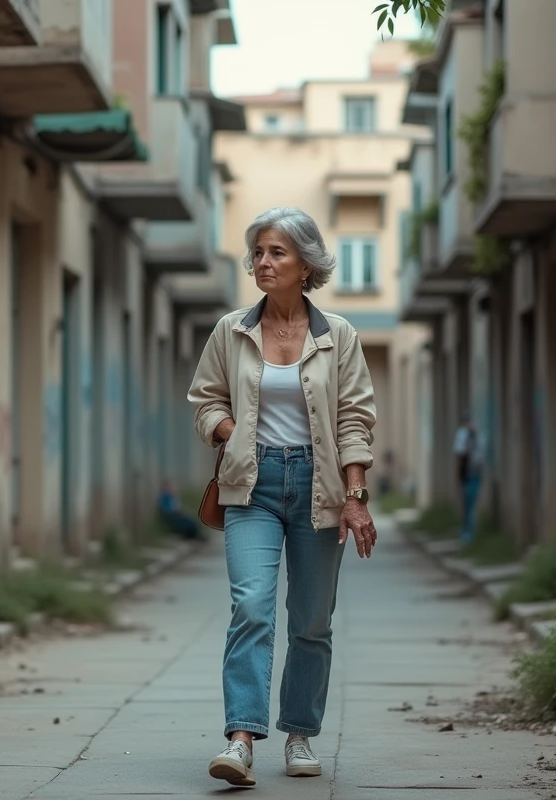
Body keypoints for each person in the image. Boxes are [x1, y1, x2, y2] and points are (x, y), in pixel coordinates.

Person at [188, 207, 378, 788]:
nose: (263, 263)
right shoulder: (231, 330)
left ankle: (299, 734)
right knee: (251, 607)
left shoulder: (338, 335)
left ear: (306, 265)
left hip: (320, 488)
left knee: (312, 620)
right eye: (258, 253)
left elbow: (354, 418)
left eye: (277, 253)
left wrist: (355, 496)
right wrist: (232, 431)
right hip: (253, 485)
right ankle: (241, 739)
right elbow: (205, 400)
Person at [452, 412, 484, 543]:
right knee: (467, 503)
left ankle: (469, 531)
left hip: (475, 474)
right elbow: (459, 455)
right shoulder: (462, 435)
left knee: (470, 502)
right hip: (467, 474)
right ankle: (467, 531)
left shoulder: (477, 436)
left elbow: (480, 456)